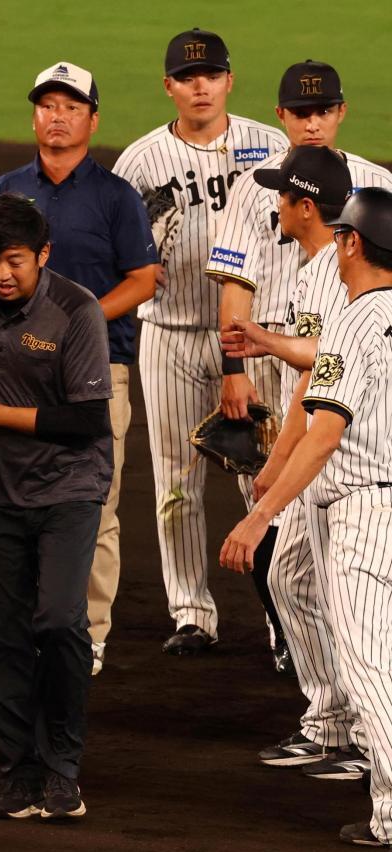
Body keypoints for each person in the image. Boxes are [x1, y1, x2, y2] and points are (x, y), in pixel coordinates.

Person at [0, 61, 156, 675]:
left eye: (71, 107)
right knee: (8, 499)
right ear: (34, 117)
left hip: (98, 370)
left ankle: (85, 634)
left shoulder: (116, 196)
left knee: (94, 504)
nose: (58, 117)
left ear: (93, 121)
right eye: (47, 105)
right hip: (10, 373)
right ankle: (27, 624)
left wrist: (75, 323)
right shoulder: (5, 189)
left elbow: (144, 280)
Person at [219, 187, 392, 852]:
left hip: (364, 515)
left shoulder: (352, 320)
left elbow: (324, 434)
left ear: (352, 243)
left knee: (370, 669)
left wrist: (260, 515)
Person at [208, 60, 392, 677]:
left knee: (350, 606)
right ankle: (330, 710)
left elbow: (329, 364)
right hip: (321, 427)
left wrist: (266, 342)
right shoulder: (319, 270)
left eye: (323, 110)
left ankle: (350, 713)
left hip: (356, 458)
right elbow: (312, 377)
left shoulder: (352, 278)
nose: (312, 122)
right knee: (296, 578)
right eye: (300, 112)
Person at [112, 28, 288, 655]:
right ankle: (190, 612)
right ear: (169, 87)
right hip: (172, 336)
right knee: (176, 483)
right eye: (187, 78)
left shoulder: (272, 149)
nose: (201, 87)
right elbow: (117, 248)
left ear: (229, 81)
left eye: (211, 75)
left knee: (265, 478)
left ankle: (282, 615)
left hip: (254, 340)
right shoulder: (139, 162)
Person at [0, 193, 111, 820]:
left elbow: (88, 419)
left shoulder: (77, 310)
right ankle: (19, 772)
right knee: (1, 635)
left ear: (43, 255)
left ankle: (63, 766)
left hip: (69, 489)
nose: (2, 273)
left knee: (59, 621)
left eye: (15, 260)